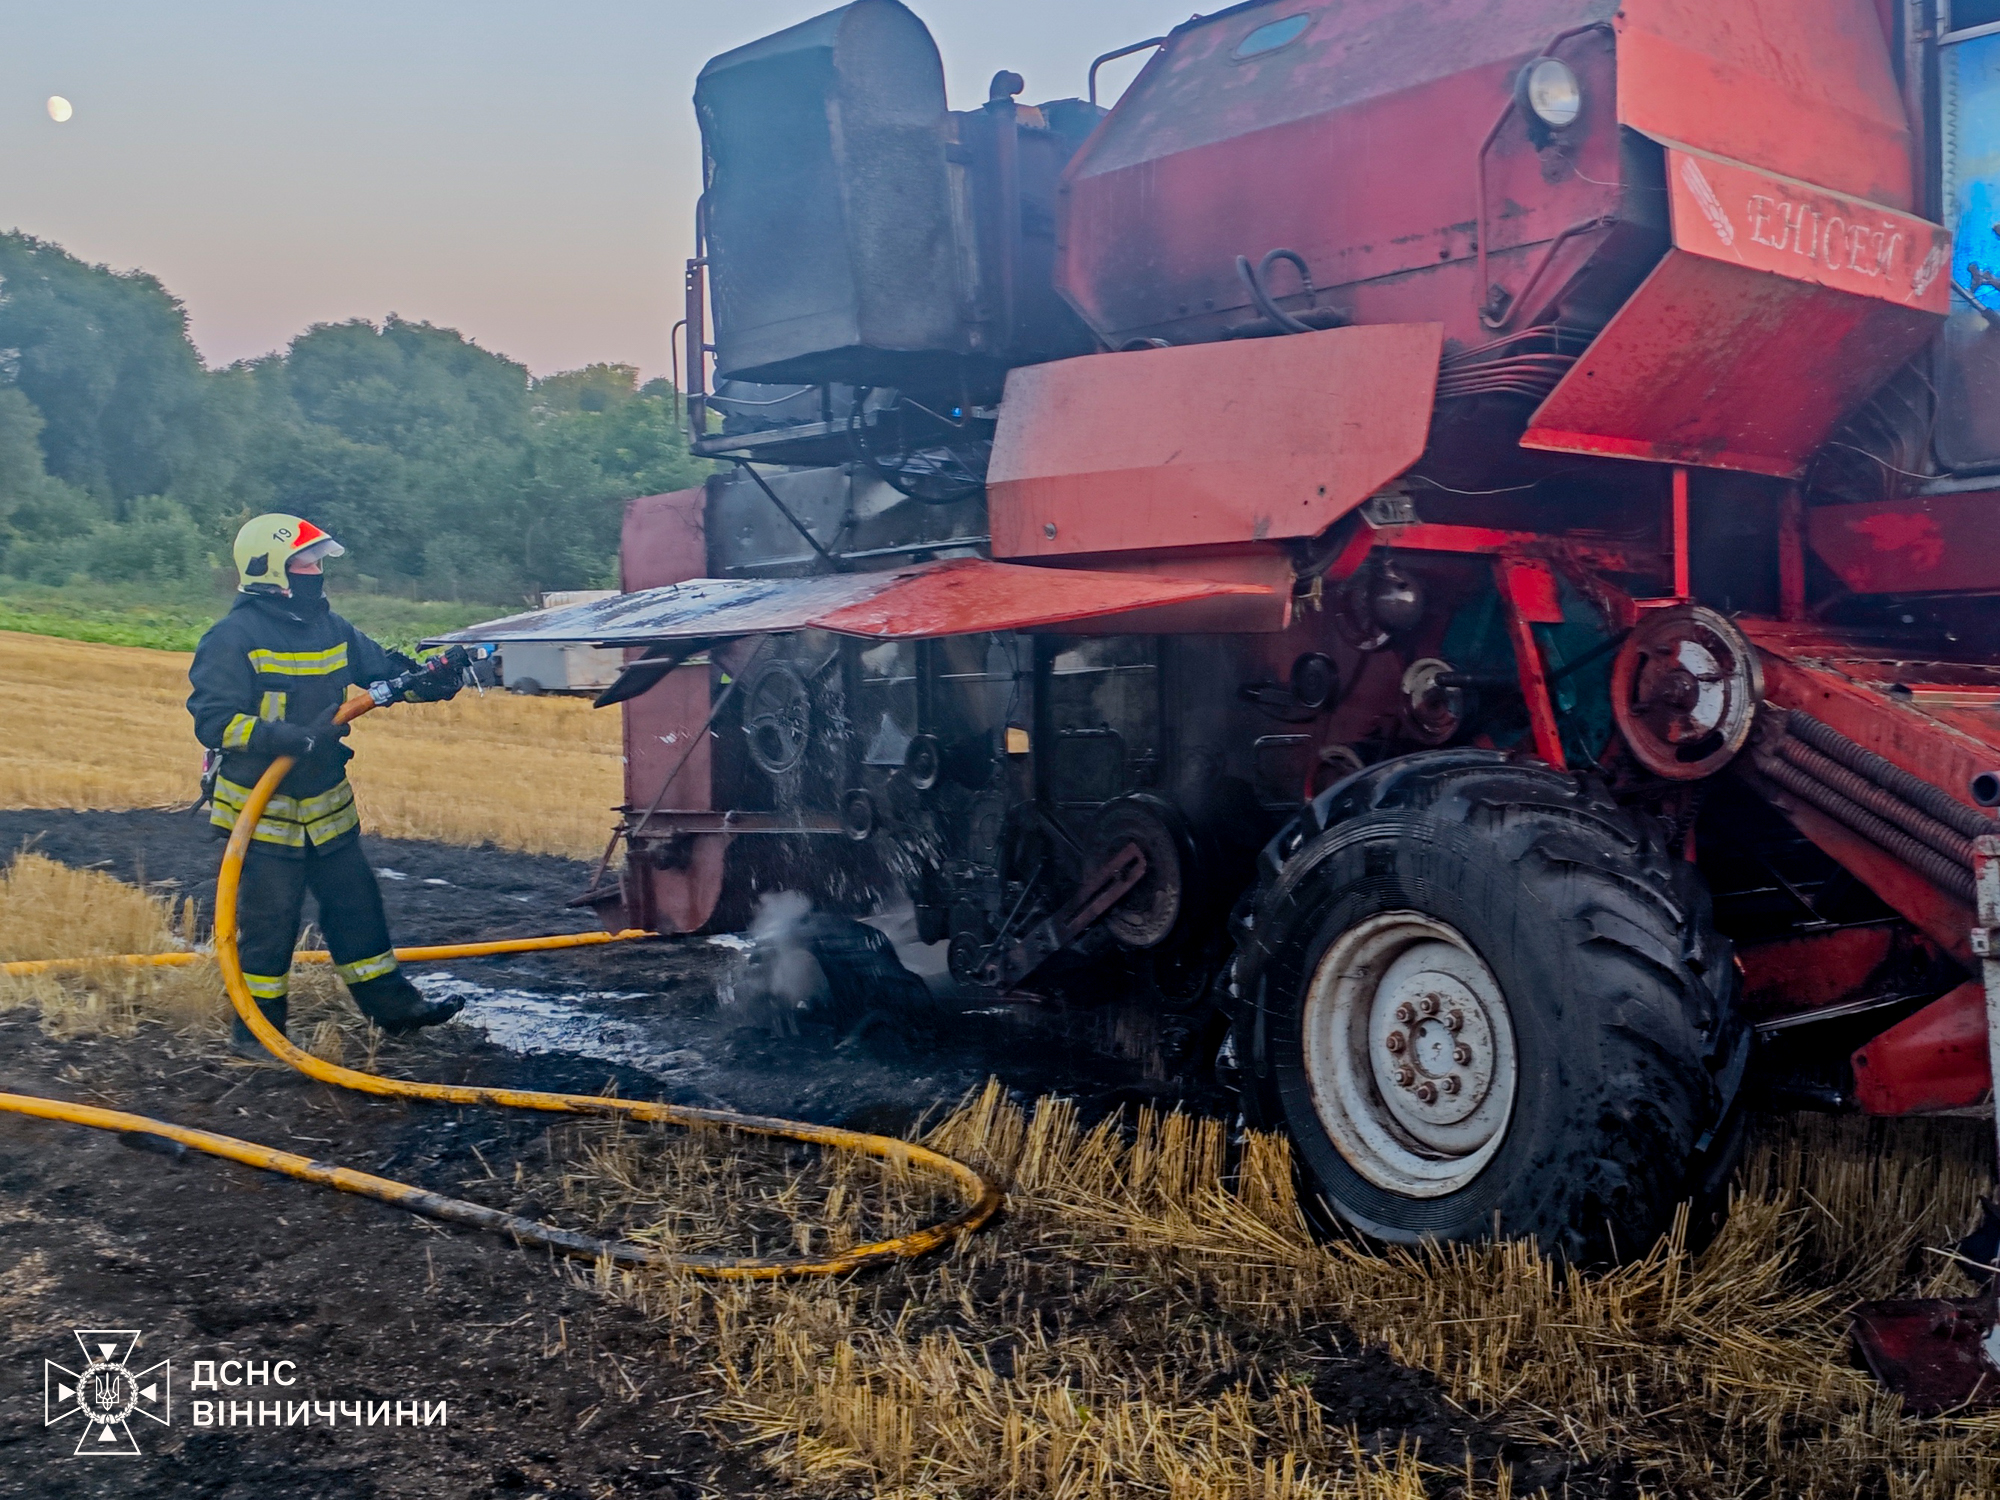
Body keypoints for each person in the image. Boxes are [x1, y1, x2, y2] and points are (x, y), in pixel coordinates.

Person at [187, 514, 466, 1057]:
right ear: (271, 571)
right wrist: (291, 739)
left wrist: (430, 681)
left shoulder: (329, 626)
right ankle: (257, 1034)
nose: (318, 572)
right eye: (307, 563)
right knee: (270, 929)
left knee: (357, 907)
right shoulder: (232, 638)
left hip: (327, 807)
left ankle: (396, 1010)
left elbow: (382, 673)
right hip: (262, 814)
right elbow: (216, 723)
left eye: (318, 562)